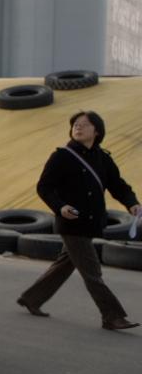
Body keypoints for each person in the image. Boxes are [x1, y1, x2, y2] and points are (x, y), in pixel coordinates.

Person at [18, 111, 141, 330]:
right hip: (71, 222)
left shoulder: (103, 158)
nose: (78, 128)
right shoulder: (62, 156)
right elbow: (44, 187)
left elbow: (118, 185)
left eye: (84, 125)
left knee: (65, 264)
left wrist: (131, 203)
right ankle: (112, 316)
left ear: (97, 131)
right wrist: (60, 206)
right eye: (75, 124)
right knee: (93, 272)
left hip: (91, 223)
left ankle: (32, 298)